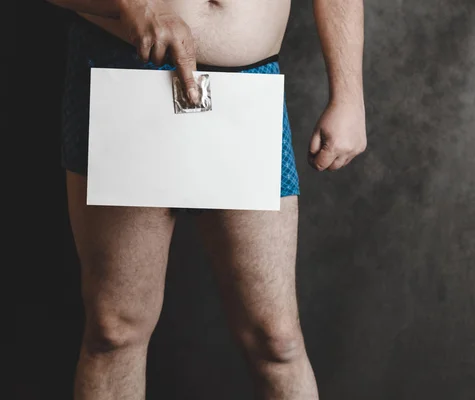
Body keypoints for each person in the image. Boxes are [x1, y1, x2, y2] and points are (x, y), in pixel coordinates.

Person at [47, 0, 366, 398]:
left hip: (250, 85)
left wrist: (349, 92)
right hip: (126, 62)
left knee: (277, 341)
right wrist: (134, 5)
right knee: (115, 331)